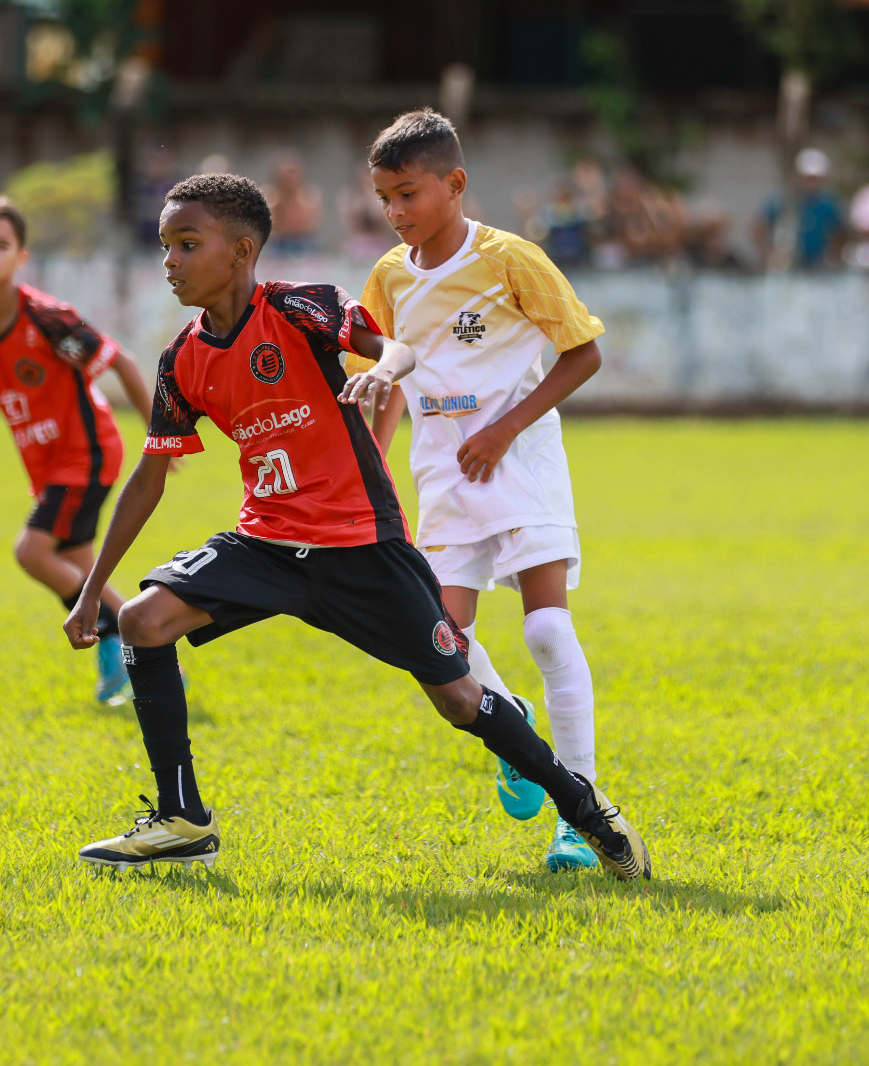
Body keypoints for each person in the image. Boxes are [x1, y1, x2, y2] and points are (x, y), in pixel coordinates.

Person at [61, 173, 649, 880]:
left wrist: (380, 371)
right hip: (268, 544)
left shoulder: (301, 307)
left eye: (188, 244)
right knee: (149, 622)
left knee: (460, 700)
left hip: (362, 547)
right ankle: (181, 817)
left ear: (242, 251)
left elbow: (393, 349)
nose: (171, 262)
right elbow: (149, 478)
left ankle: (589, 814)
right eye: (166, 246)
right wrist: (95, 587)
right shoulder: (180, 360)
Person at [358, 109, 614, 872]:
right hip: (443, 469)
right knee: (442, 646)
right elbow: (390, 370)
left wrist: (503, 430)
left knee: (546, 632)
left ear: (455, 184)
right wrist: (374, 463)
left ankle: (582, 808)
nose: (397, 212)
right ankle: (513, 723)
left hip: (521, 460)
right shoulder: (389, 276)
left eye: (408, 193)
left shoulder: (512, 260)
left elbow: (583, 354)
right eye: (384, 200)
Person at [0, 194, 153, 704]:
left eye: (1, 245)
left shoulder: (46, 319)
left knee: (32, 551)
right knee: (77, 561)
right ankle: (155, 652)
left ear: (21, 257)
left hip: (88, 451)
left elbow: (122, 362)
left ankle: (113, 637)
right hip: (48, 463)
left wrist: (159, 433)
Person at [754, 148, 844, 270]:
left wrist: (835, 256)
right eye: (807, 178)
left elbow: (841, 232)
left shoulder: (829, 203)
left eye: (815, 178)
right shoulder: (781, 200)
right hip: (786, 265)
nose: (811, 182)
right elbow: (759, 227)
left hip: (819, 266)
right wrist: (768, 254)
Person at [264, 154, 323, 255]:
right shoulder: (270, 197)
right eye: (286, 174)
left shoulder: (309, 197)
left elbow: (311, 227)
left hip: (303, 242)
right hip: (277, 243)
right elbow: (270, 228)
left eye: (293, 173)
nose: (290, 179)